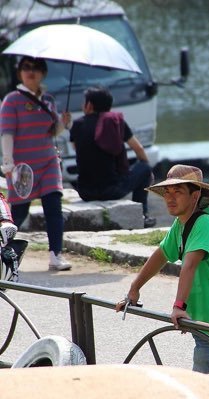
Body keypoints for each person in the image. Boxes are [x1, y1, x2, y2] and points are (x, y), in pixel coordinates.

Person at [115, 164, 209, 377]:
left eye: (179, 192)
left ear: (195, 195)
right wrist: (134, 289)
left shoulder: (205, 223)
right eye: (167, 192)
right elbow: (161, 255)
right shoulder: (181, 224)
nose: (170, 198)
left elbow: (190, 265)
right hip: (203, 320)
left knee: (206, 385)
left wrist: (178, 306)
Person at [0, 56, 72, 271]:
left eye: (36, 68)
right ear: (20, 72)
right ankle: (3, 248)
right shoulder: (11, 100)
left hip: (48, 161)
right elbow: (7, 133)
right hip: (23, 167)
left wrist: (63, 123)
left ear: (43, 73)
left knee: (54, 206)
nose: (30, 71)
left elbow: (53, 131)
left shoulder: (48, 99)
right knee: (18, 213)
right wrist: (8, 163)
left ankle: (55, 255)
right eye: (26, 68)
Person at [69, 86, 156, 228]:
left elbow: (76, 147)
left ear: (89, 105)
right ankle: (143, 215)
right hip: (112, 191)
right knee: (144, 167)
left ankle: (143, 215)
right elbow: (138, 148)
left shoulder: (77, 124)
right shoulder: (116, 122)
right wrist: (147, 173)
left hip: (85, 192)